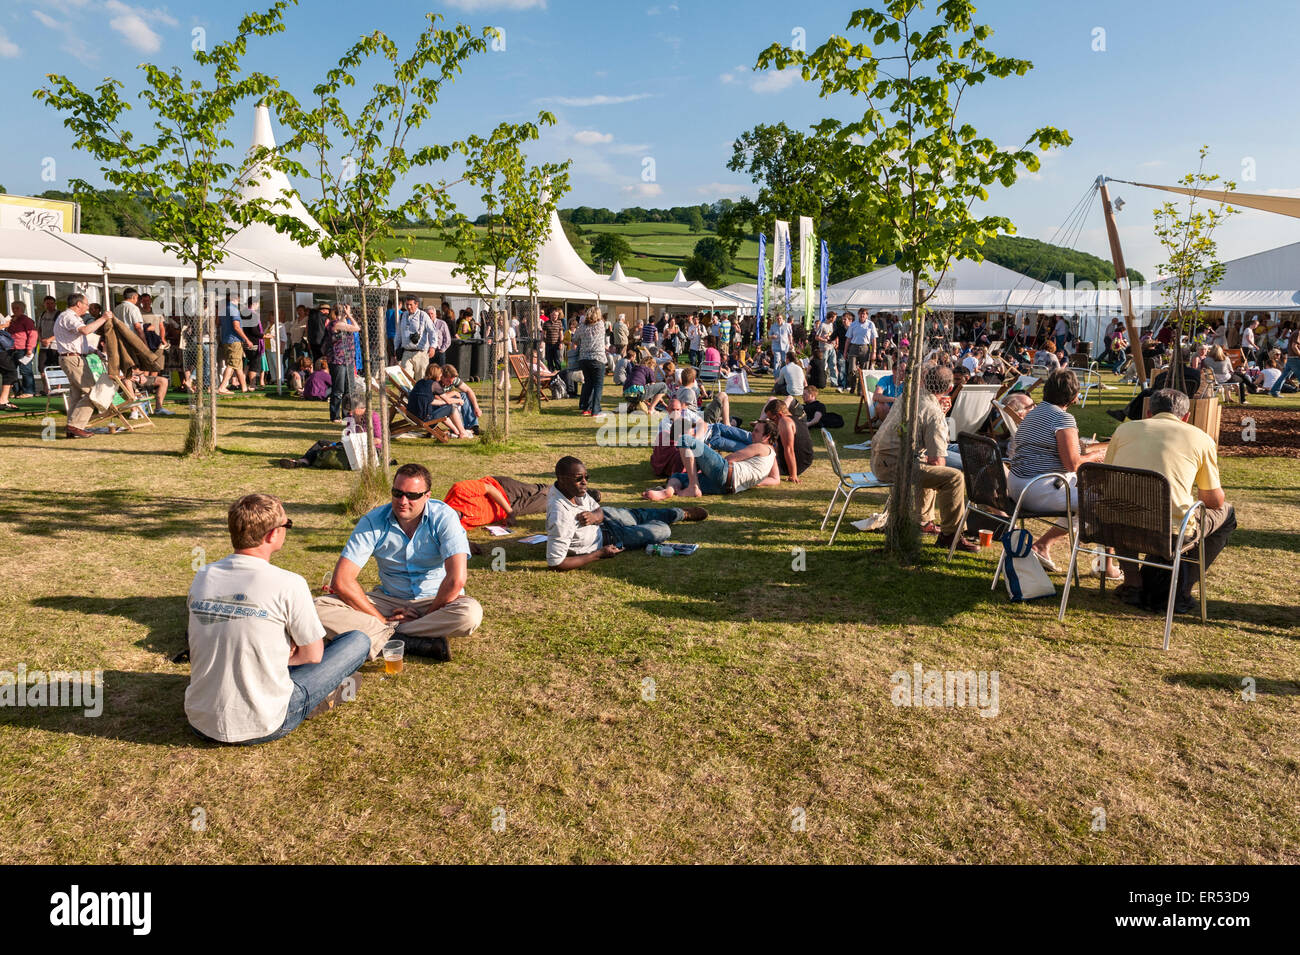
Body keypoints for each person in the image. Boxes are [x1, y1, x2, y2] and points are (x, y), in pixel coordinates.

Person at [185, 493, 369, 744]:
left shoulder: (203, 575)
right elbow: (313, 656)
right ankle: (321, 696)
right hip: (266, 723)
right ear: (273, 534)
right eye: (287, 524)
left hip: (199, 721)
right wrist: (283, 654)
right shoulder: (289, 583)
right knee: (357, 641)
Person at [315, 463, 483, 660]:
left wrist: (426, 615)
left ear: (427, 496)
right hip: (388, 600)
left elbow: (456, 580)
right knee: (315, 609)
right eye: (397, 493)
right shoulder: (373, 521)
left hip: (437, 601)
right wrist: (383, 620)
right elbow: (342, 581)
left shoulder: (444, 517)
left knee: (469, 614)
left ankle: (383, 635)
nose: (403, 501)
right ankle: (409, 640)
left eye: (412, 495)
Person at [1103, 388, 1237, 613]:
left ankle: (1133, 582)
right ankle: (1183, 588)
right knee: (1228, 513)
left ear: (1148, 411)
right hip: (1170, 530)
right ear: (1185, 416)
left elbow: (1106, 476)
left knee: (1124, 508)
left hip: (1116, 524)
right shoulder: (1200, 438)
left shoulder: (1123, 430)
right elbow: (1213, 501)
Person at [1006, 368, 1116, 574]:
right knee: (1103, 501)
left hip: (1017, 484)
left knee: (1085, 499)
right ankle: (1106, 566)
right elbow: (1073, 464)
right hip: (1037, 489)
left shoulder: (1033, 413)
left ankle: (1043, 546)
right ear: (1074, 397)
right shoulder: (1062, 419)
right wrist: (1096, 456)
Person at [870, 363, 979, 552]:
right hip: (895, 467)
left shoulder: (908, 396)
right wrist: (939, 416)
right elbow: (937, 460)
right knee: (953, 478)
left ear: (924, 381)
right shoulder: (932, 411)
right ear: (949, 389)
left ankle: (923, 520)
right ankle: (950, 535)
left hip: (880, 460)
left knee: (927, 465)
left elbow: (914, 428)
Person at [547, 456, 706, 570]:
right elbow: (557, 562)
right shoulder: (559, 516)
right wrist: (598, 554)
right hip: (609, 538)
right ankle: (649, 525)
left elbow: (597, 509)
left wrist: (595, 516)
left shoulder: (572, 489)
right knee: (662, 530)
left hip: (604, 518)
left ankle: (681, 513)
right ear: (562, 479)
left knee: (640, 514)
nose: (585, 482)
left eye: (586, 477)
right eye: (579, 479)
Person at [643, 419, 781, 499]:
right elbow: (776, 480)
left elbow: (730, 459)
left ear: (766, 437)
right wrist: (751, 482)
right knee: (679, 476)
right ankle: (668, 492)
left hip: (726, 472)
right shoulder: (772, 455)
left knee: (685, 439)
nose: (752, 433)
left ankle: (692, 487)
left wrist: (705, 461)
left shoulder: (759, 446)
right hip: (729, 487)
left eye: (756, 431)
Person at [53, 293, 111, 439]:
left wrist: (93, 350)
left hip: (74, 357)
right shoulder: (69, 317)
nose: (87, 306)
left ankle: (72, 428)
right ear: (78, 304)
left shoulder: (70, 317)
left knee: (76, 395)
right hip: (73, 359)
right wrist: (103, 318)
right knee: (93, 392)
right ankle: (75, 426)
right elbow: (85, 330)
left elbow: (75, 341)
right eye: (86, 303)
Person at [443, 475, 549, 530]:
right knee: (546, 504)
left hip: (502, 488)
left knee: (536, 490)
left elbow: (490, 489)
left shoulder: (459, 491)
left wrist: (510, 513)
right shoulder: (452, 524)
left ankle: (562, 486)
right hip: (505, 512)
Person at [408, 363, 473, 438]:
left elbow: (430, 401)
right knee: (452, 407)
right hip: (425, 419)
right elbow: (448, 401)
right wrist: (458, 401)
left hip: (412, 415)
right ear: (436, 374)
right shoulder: (435, 385)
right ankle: (463, 432)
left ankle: (456, 431)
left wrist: (443, 403)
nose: (441, 375)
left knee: (442, 408)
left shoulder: (420, 382)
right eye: (440, 374)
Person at [762, 398, 814, 481]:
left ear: (779, 415)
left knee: (753, 450)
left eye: (772, 420)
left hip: (792, 465)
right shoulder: (797, 419)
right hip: (804, 461)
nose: (772, 423)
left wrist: (793, 475)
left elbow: (789, 449)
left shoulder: (784, 422)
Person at [325, 304, 360, 423]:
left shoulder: (344, 324)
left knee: (349, 390)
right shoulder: (334, 324)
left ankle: (346, 415)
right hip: (338, 360)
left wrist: (348, 315)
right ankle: (335, 416)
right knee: (338, 389)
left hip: (349, 359)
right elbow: (355, 328)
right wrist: (347, 315)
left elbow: (354, 327)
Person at [217, 294, 255, 394]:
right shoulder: (234, 310)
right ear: (235, 298)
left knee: (237, 364)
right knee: (232, 364)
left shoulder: (223, 311)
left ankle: (244, 387)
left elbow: (218, 324)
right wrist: (246, 339)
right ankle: (222, 387)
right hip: (234, 340)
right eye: (239, 298)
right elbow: (236, 326)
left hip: (226, 340)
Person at [574, 307, 608, 418]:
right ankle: (596, 410)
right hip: (597, 358)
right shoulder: (600, 325)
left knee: (588, 383)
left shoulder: (582, 326)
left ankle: (586, 408)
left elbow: (574, 338)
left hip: (584, 358)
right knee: (598, 385)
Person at [396, 295, 435, 382]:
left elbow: (432, 332)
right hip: (406, 352)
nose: (409, 307)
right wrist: (396, 349)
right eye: (407, 305)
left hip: (420, 353)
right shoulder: (402, 316)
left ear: (416, 304)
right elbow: (398, 334)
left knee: (421, 380)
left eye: (411, 304)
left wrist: (433, 347)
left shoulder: (423, 315)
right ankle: (406, 395)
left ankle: (420, 395)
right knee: (405, 380)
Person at [5, 301, 37, 397]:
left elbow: (33, 334)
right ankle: (17, 391)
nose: (14, 310)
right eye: (13, 308)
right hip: (11, 348)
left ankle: (29, 391)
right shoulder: (10, 320)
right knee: (11, 370)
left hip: (23, 348)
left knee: (25, 370)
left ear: (22, 310)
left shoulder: (26, 320)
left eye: (17, 308)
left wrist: (30, 349)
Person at [439, 363, 482, 433]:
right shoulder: (436, 381)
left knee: (464, 395)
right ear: (442, 376)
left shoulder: (453, 379)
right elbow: (437, 398)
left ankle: (473, 426)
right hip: (437, 403)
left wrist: (476, 408)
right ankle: (460, 427)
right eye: (448, 381)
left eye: (452, 381)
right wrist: (453, 393)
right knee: (455, 399)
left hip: (446, 399)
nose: (450, 383)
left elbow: (469, 390)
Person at [872, 358, 907, 423]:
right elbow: (876, 396)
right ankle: (887, 427)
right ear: (894, 371)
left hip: (900, 410)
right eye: (901, 371)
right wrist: (894, 400)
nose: (904, 373)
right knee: (881, 407)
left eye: (905, 371)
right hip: (887, 409)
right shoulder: (885, 380)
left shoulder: (907, 383)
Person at [1270, 326, 1300, 397]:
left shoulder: (1295, 332)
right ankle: (1274, 391)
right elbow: (1294, 346)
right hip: (1294, 359)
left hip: (1291, 358)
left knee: (1283, 376)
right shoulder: (1298, 333)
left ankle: (1274, 391)